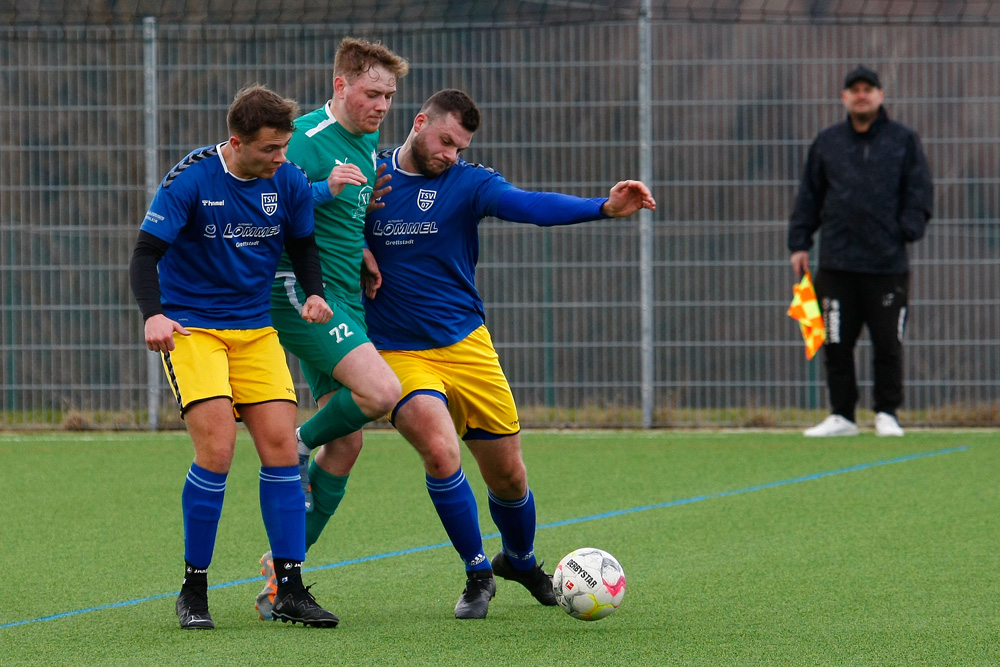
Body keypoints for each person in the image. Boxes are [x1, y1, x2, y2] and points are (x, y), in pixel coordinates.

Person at [358, 89, 655, 619]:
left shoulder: (470, 183)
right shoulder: (371, 174)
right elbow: (315, 219)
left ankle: (519, 560)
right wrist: (353, 245)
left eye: (460, 146)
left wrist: (603, 208)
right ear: (420, 122)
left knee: (509, 476)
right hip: (397, 350)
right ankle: (477, 574)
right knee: (439, 450)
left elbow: (530, 205)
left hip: (466, 344)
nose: (451, 154)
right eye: (446, 140)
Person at [128, 83, 340, 630]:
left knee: (281, 450)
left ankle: (289, 588)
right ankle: (193, 590)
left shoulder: (288, 180)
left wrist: (314, 291)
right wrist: (154, 314)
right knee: (217, 449)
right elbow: (145, 255)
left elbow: (302, 244)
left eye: (285, 146)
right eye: (270, 148)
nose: (281, 158)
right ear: (236, 142)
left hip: (254, 331)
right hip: (192, 330)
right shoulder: (193, 178)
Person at [254, 38, 408, 620]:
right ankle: (293, 445)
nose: (381, 106)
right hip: (301, 291)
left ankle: (280, 580)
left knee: (347, 443)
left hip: (345, 292)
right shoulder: (306, 141)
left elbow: (345, 206)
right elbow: (268, 205)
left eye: (389, 96)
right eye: (372, 93)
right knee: (381, 393)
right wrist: (323, 190)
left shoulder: (366, 140)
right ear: (340, 86)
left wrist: (363, 243)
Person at [788, 65, 933, 438]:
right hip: (836, 261)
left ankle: (887, 413)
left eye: (869, 89)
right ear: (845, 98)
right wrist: (799, 243)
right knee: (834, 342)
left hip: (887, 264)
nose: (862, 95)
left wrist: (907, 230)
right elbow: (809, 196)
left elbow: (919, 192)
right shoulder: (827, 142)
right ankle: (842, 416)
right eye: (855, 90)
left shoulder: (903, 140)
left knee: (888, 342)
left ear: (880, 96)